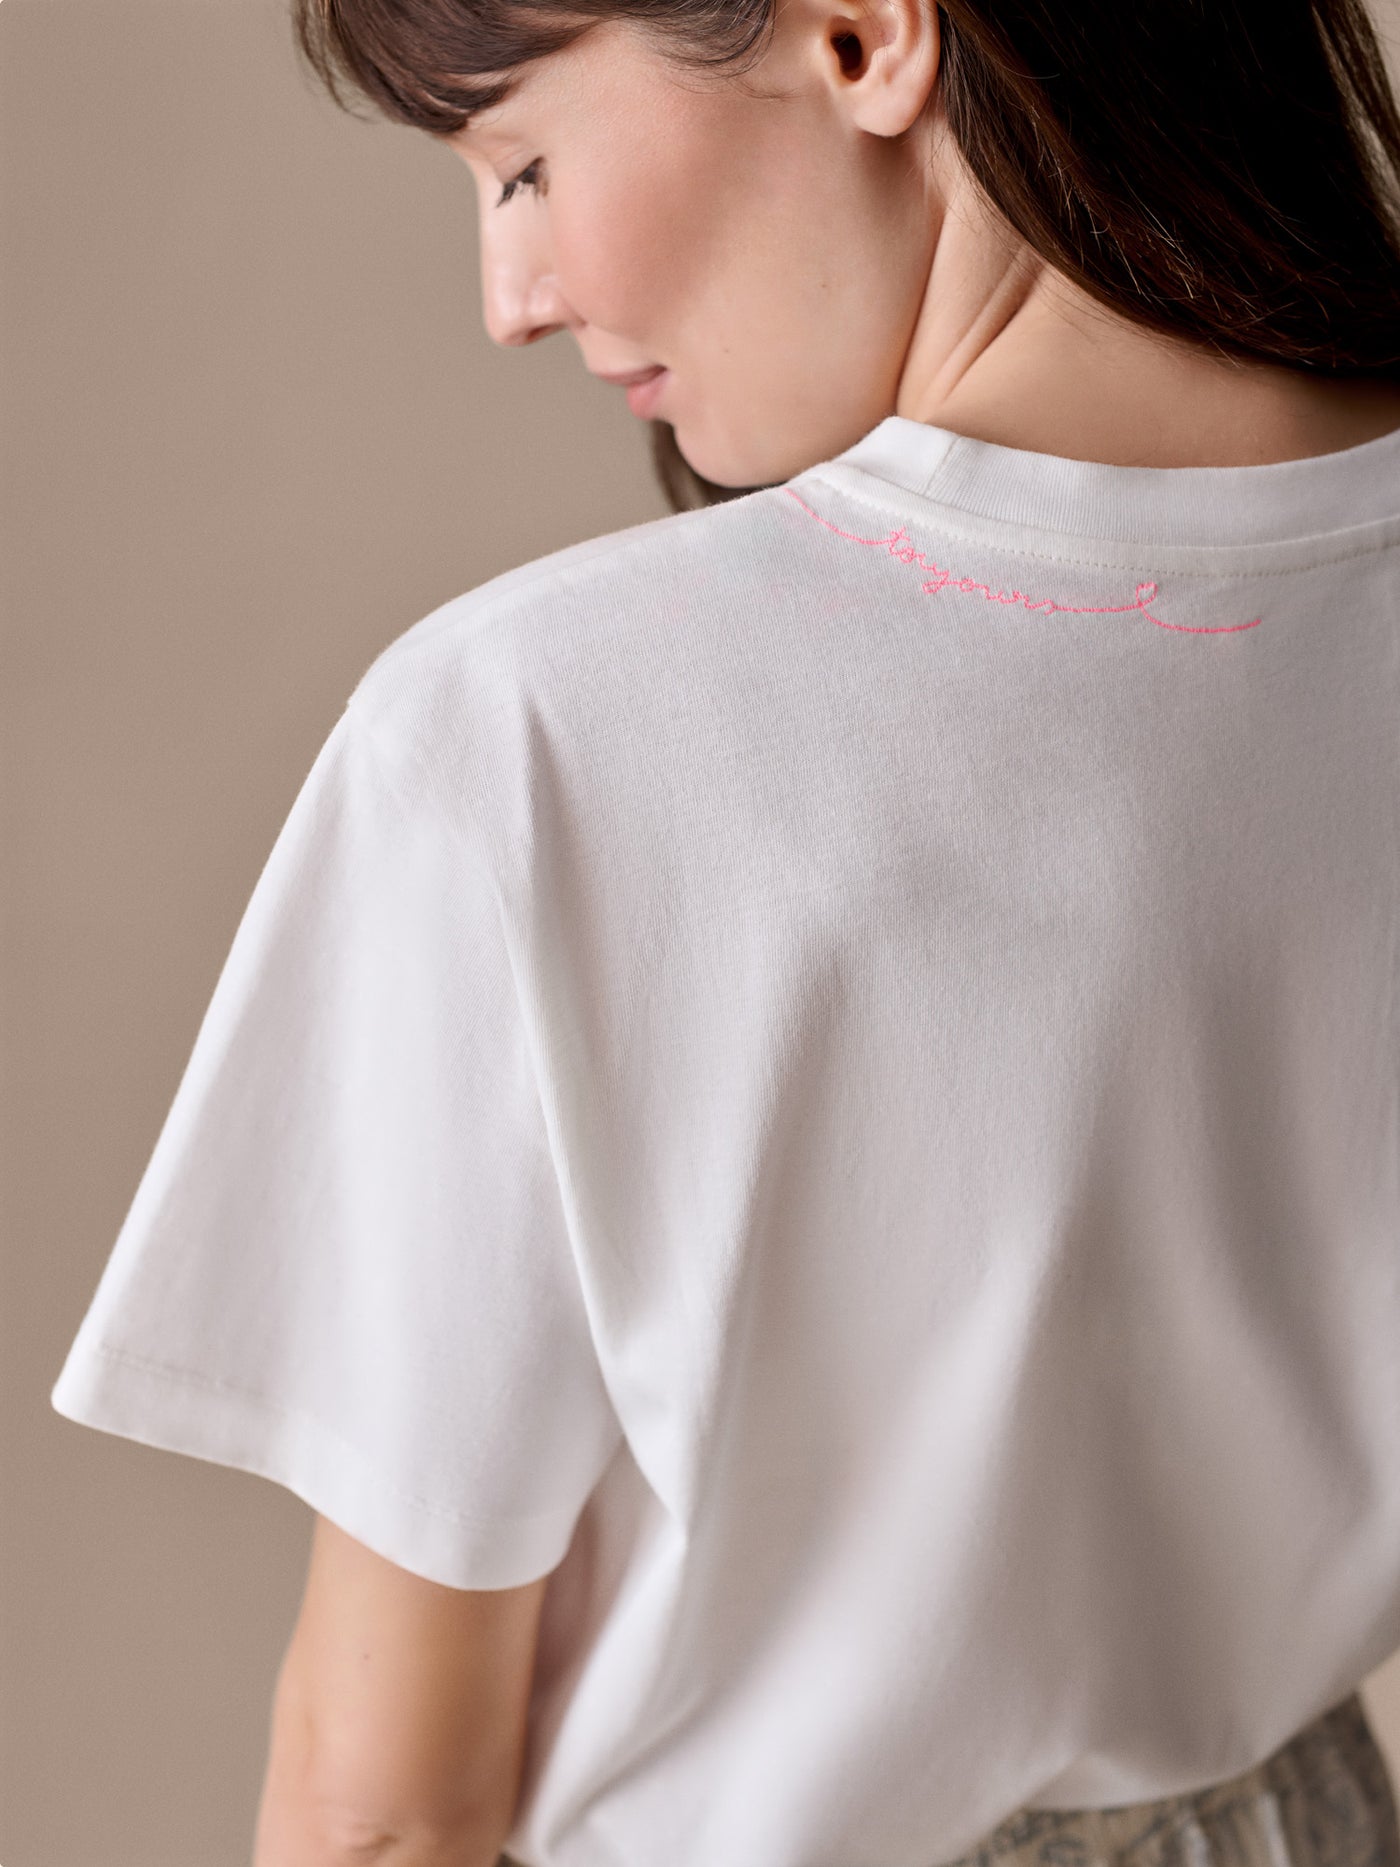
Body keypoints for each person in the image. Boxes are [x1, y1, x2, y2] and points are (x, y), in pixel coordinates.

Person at [48, 0, 1400, 1860]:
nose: (510, 297)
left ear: (860, 37)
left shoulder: (535, 735)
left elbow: (381, 1811)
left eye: (524, 164)